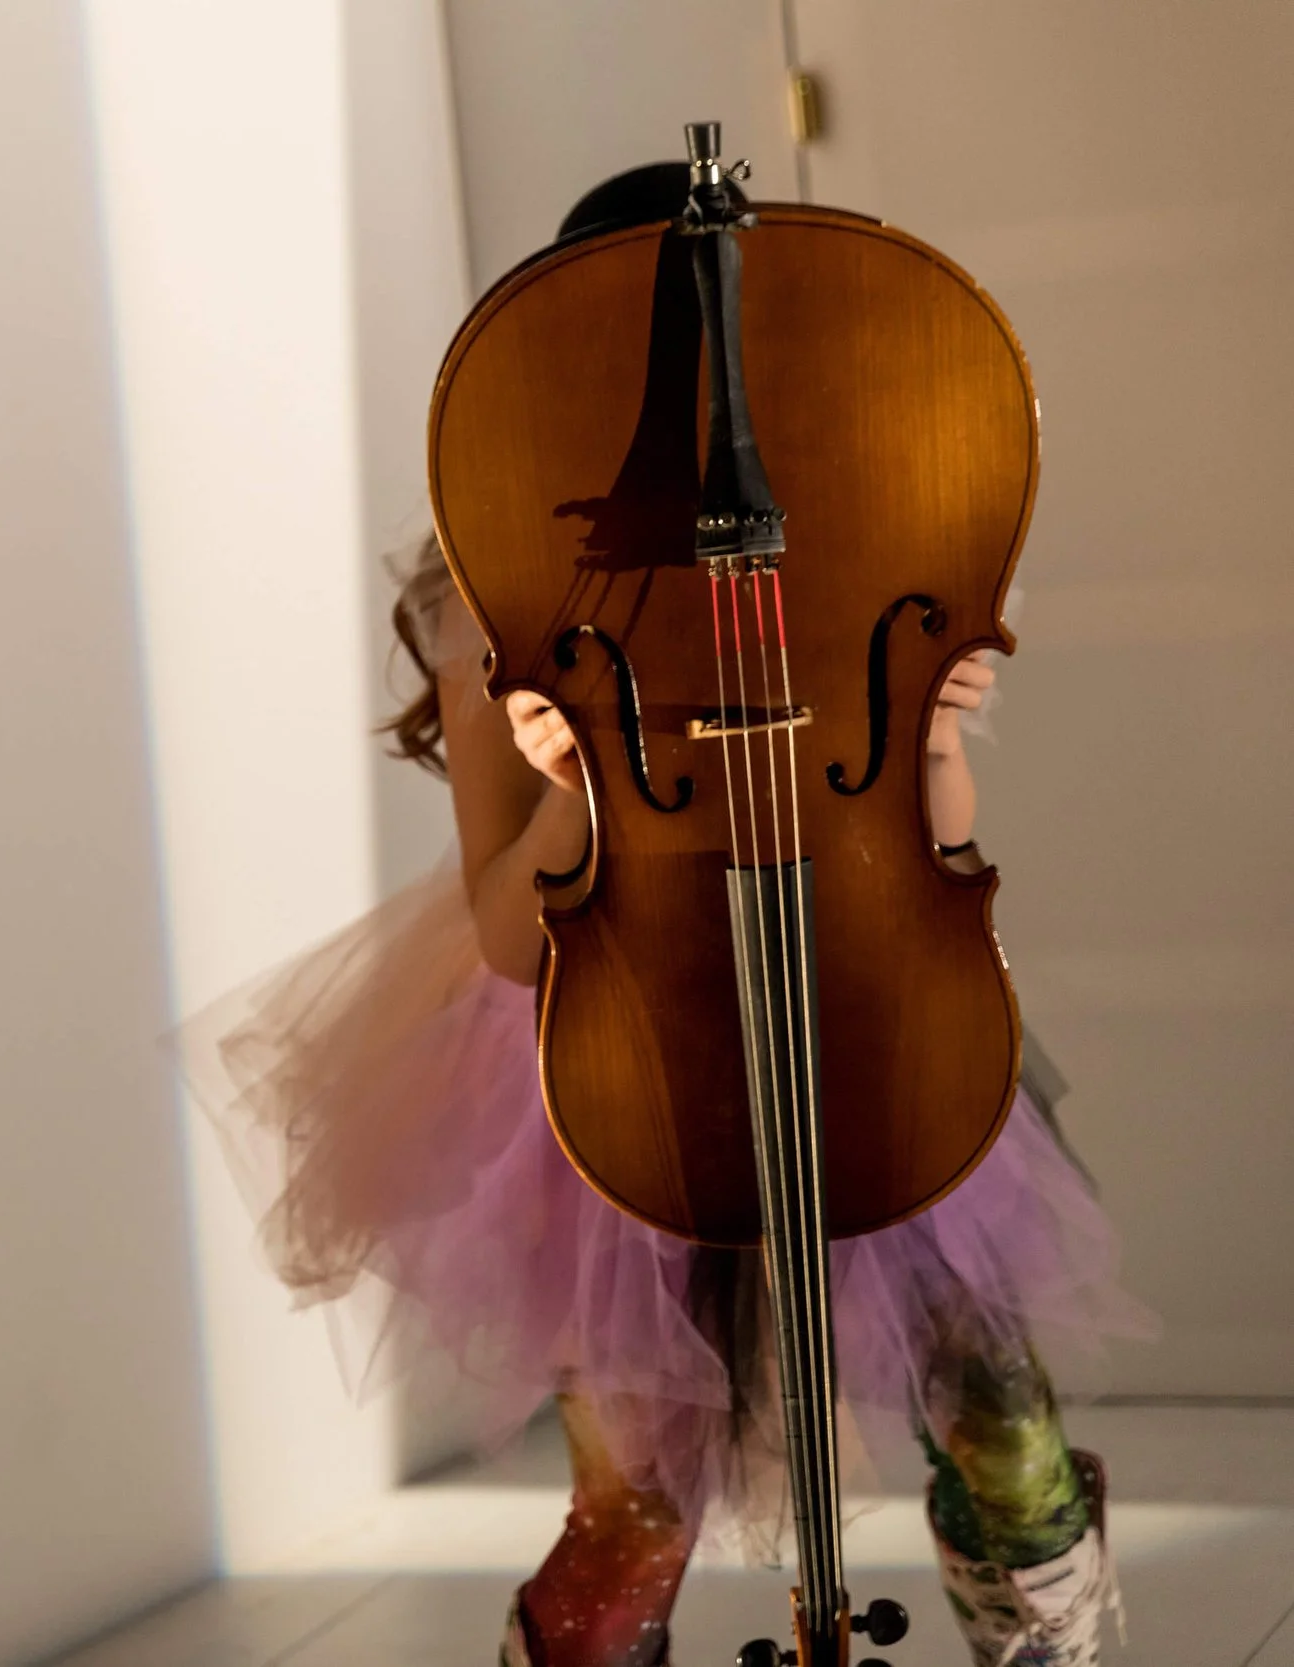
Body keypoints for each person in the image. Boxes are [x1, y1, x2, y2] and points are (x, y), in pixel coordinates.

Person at [193, 170, 1151, 1667]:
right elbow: (511, 936)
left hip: (861, 1014)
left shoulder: (852, 536)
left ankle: (1049, 1641)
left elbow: (937, 850)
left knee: (1002, 1428)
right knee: (634, 1503)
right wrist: (581, 783)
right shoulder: (493, 600)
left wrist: (942, 733)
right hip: (612, 1067)